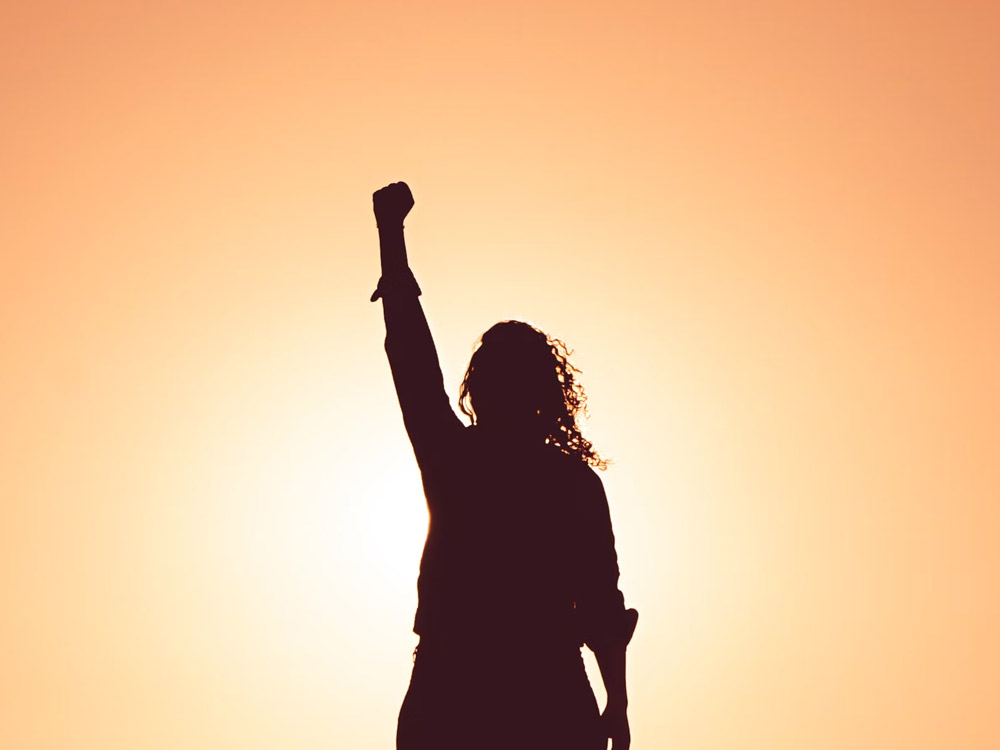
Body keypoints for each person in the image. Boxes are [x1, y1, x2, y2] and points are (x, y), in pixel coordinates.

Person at [370, 181, 638, 750]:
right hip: (506, 689)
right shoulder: (562, 481)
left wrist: (391, 238)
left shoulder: (462, 460)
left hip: (492, 689)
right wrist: (616, 701)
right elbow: (601, 607)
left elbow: (599, 603)